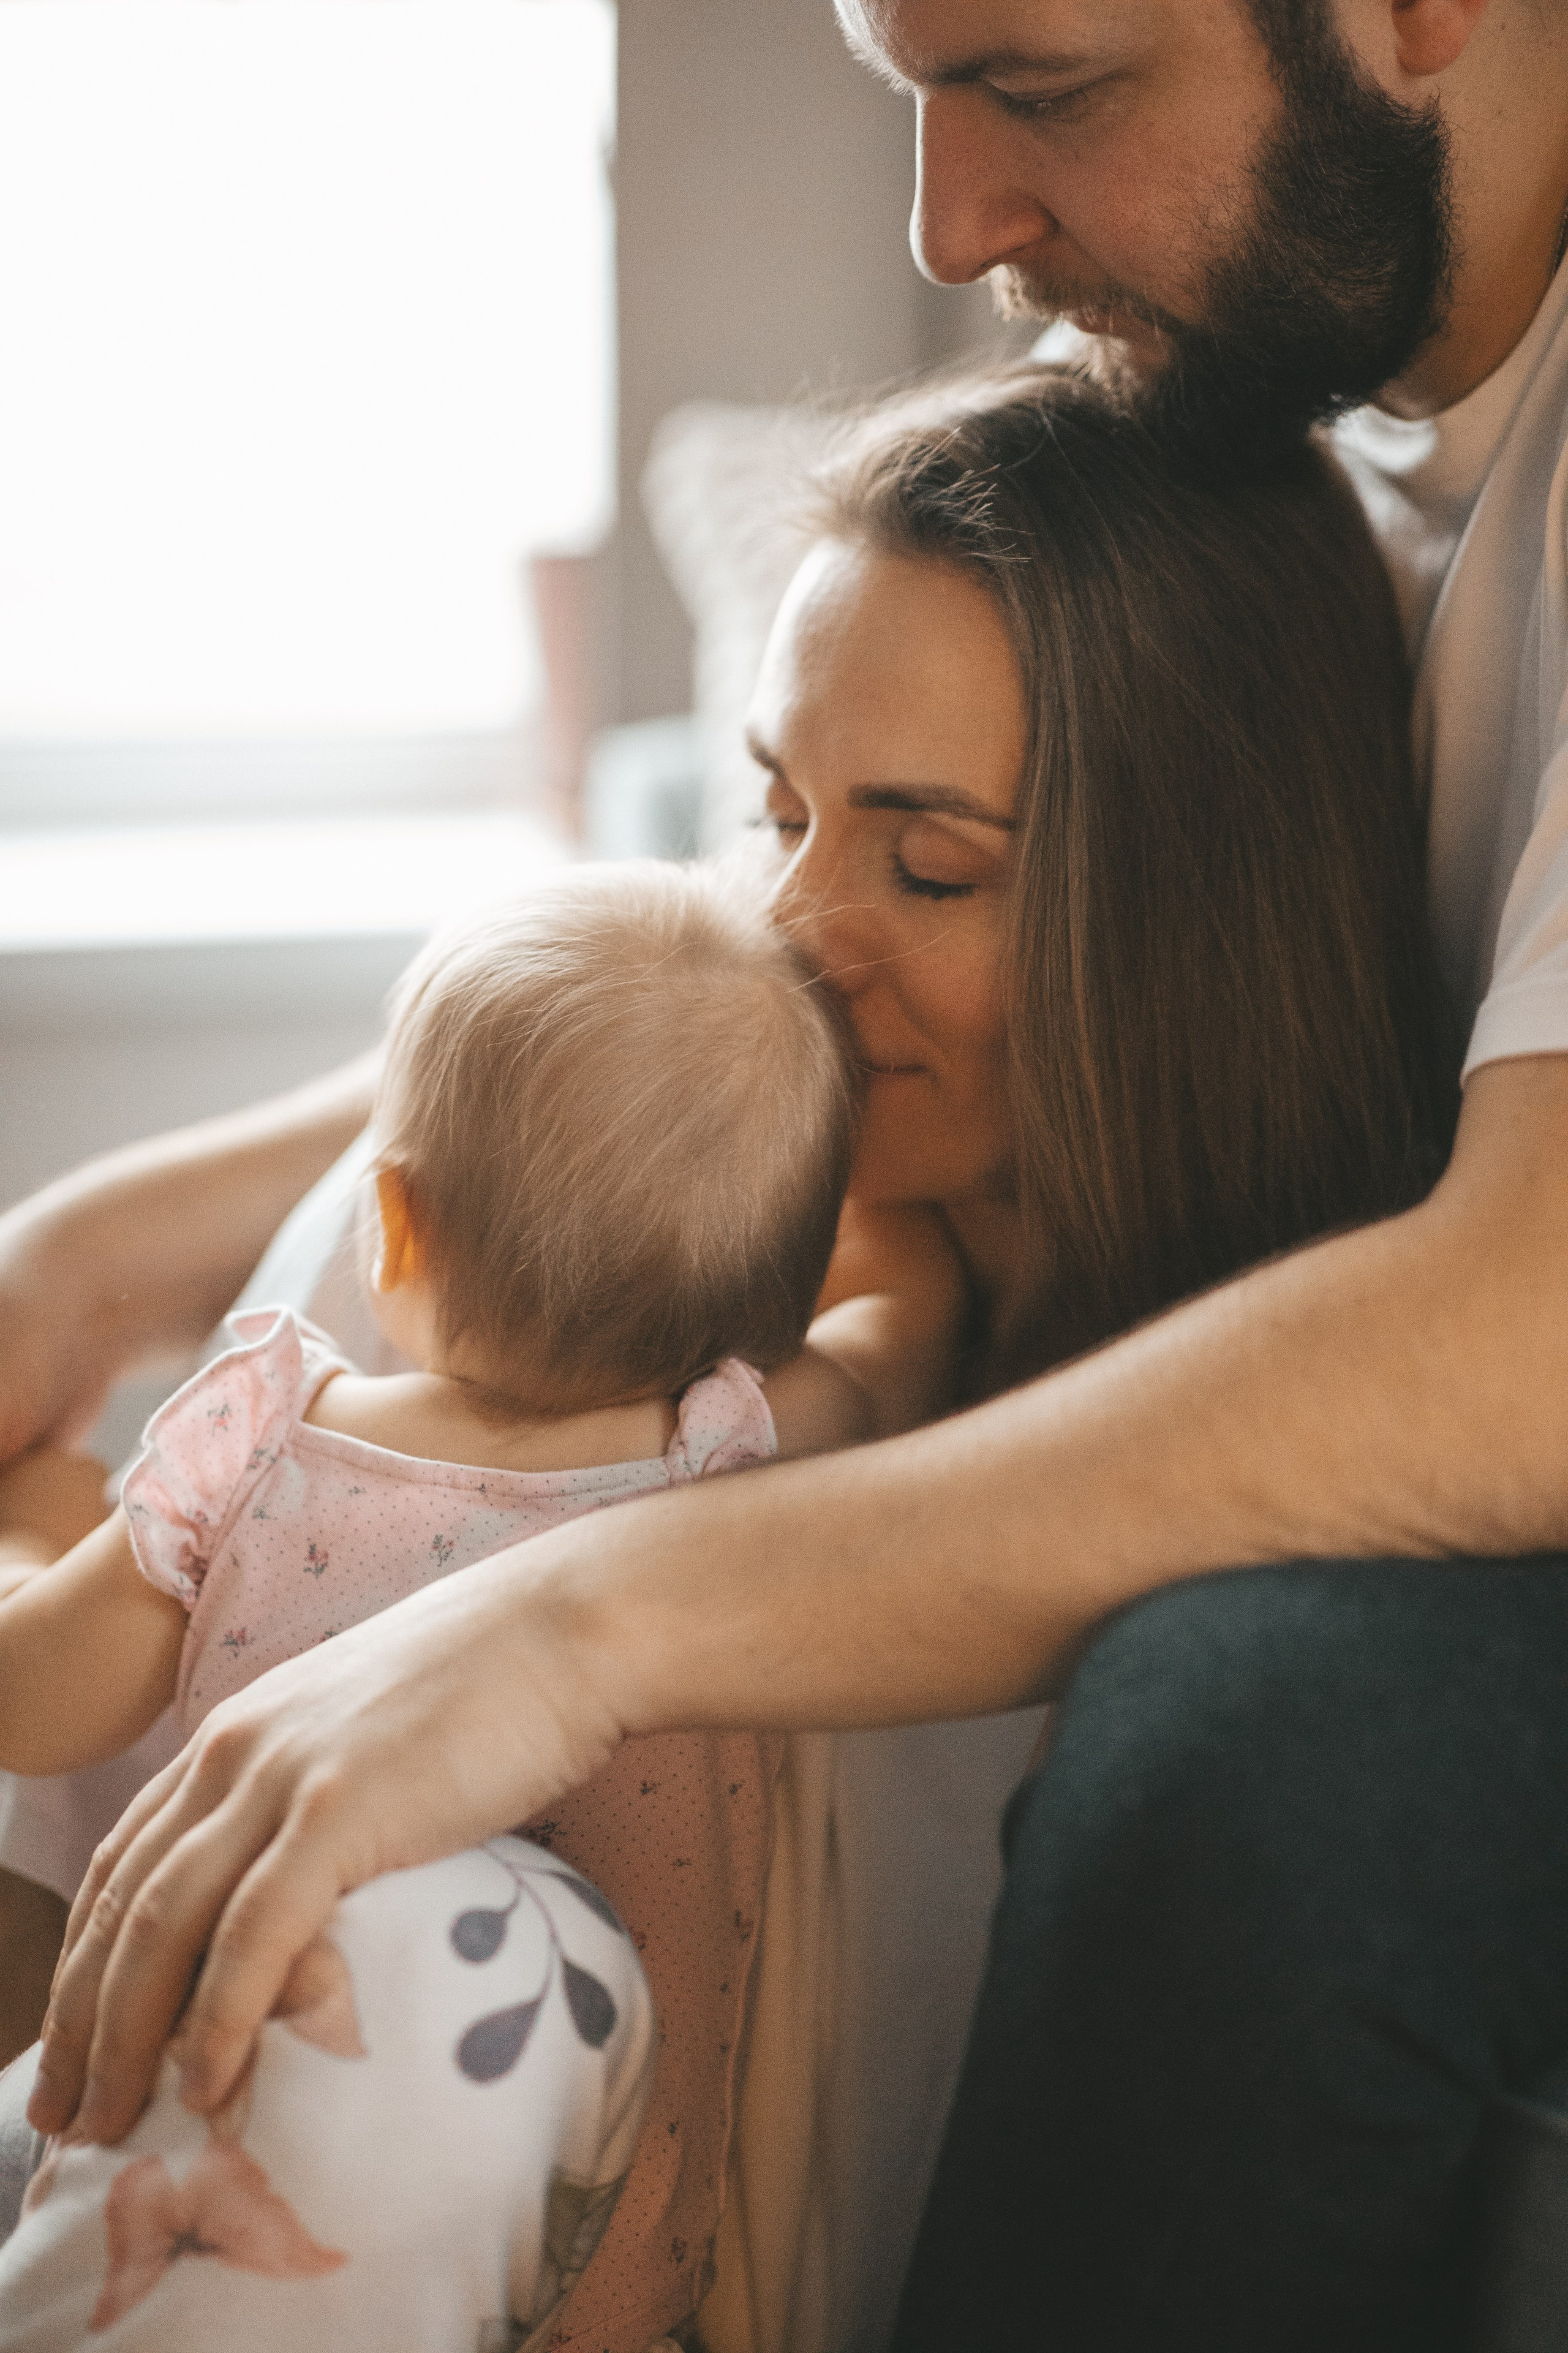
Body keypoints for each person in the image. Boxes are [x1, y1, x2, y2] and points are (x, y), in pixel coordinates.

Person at [0, 336, 1467, 2347]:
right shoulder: (513, 1215)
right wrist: (90, 1258)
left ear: (1172, 929)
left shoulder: (1186, 1550)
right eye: (774, 809)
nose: (786, 926)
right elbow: (79, 1841)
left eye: (926, 862)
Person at [0, 860, 967, 2351]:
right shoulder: (730, 1462)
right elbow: (904, 1321)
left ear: (391, 1225)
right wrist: (884, 1232)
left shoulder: (255, 1440)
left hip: (208, 2202)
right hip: (619, 2277)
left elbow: (36, 1702)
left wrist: (32, 1539)